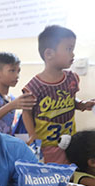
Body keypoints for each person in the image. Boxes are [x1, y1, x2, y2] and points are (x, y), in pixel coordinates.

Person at [22, 25, 95, 164]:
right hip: (47, 144)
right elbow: (26, 112)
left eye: (73, 49)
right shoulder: (35, 86)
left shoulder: (72, 78)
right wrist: (33, 135)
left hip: (70, 140)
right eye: (68, 49)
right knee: (52, 175)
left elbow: (71, 101)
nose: (73, 54)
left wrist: (82, 104)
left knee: (70, 171)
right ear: (49, 54)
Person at [0, 52, 36, 135]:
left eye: (18, 71)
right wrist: (12, 105)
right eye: (12, 71)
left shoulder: (12, 99)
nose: (17, 75)